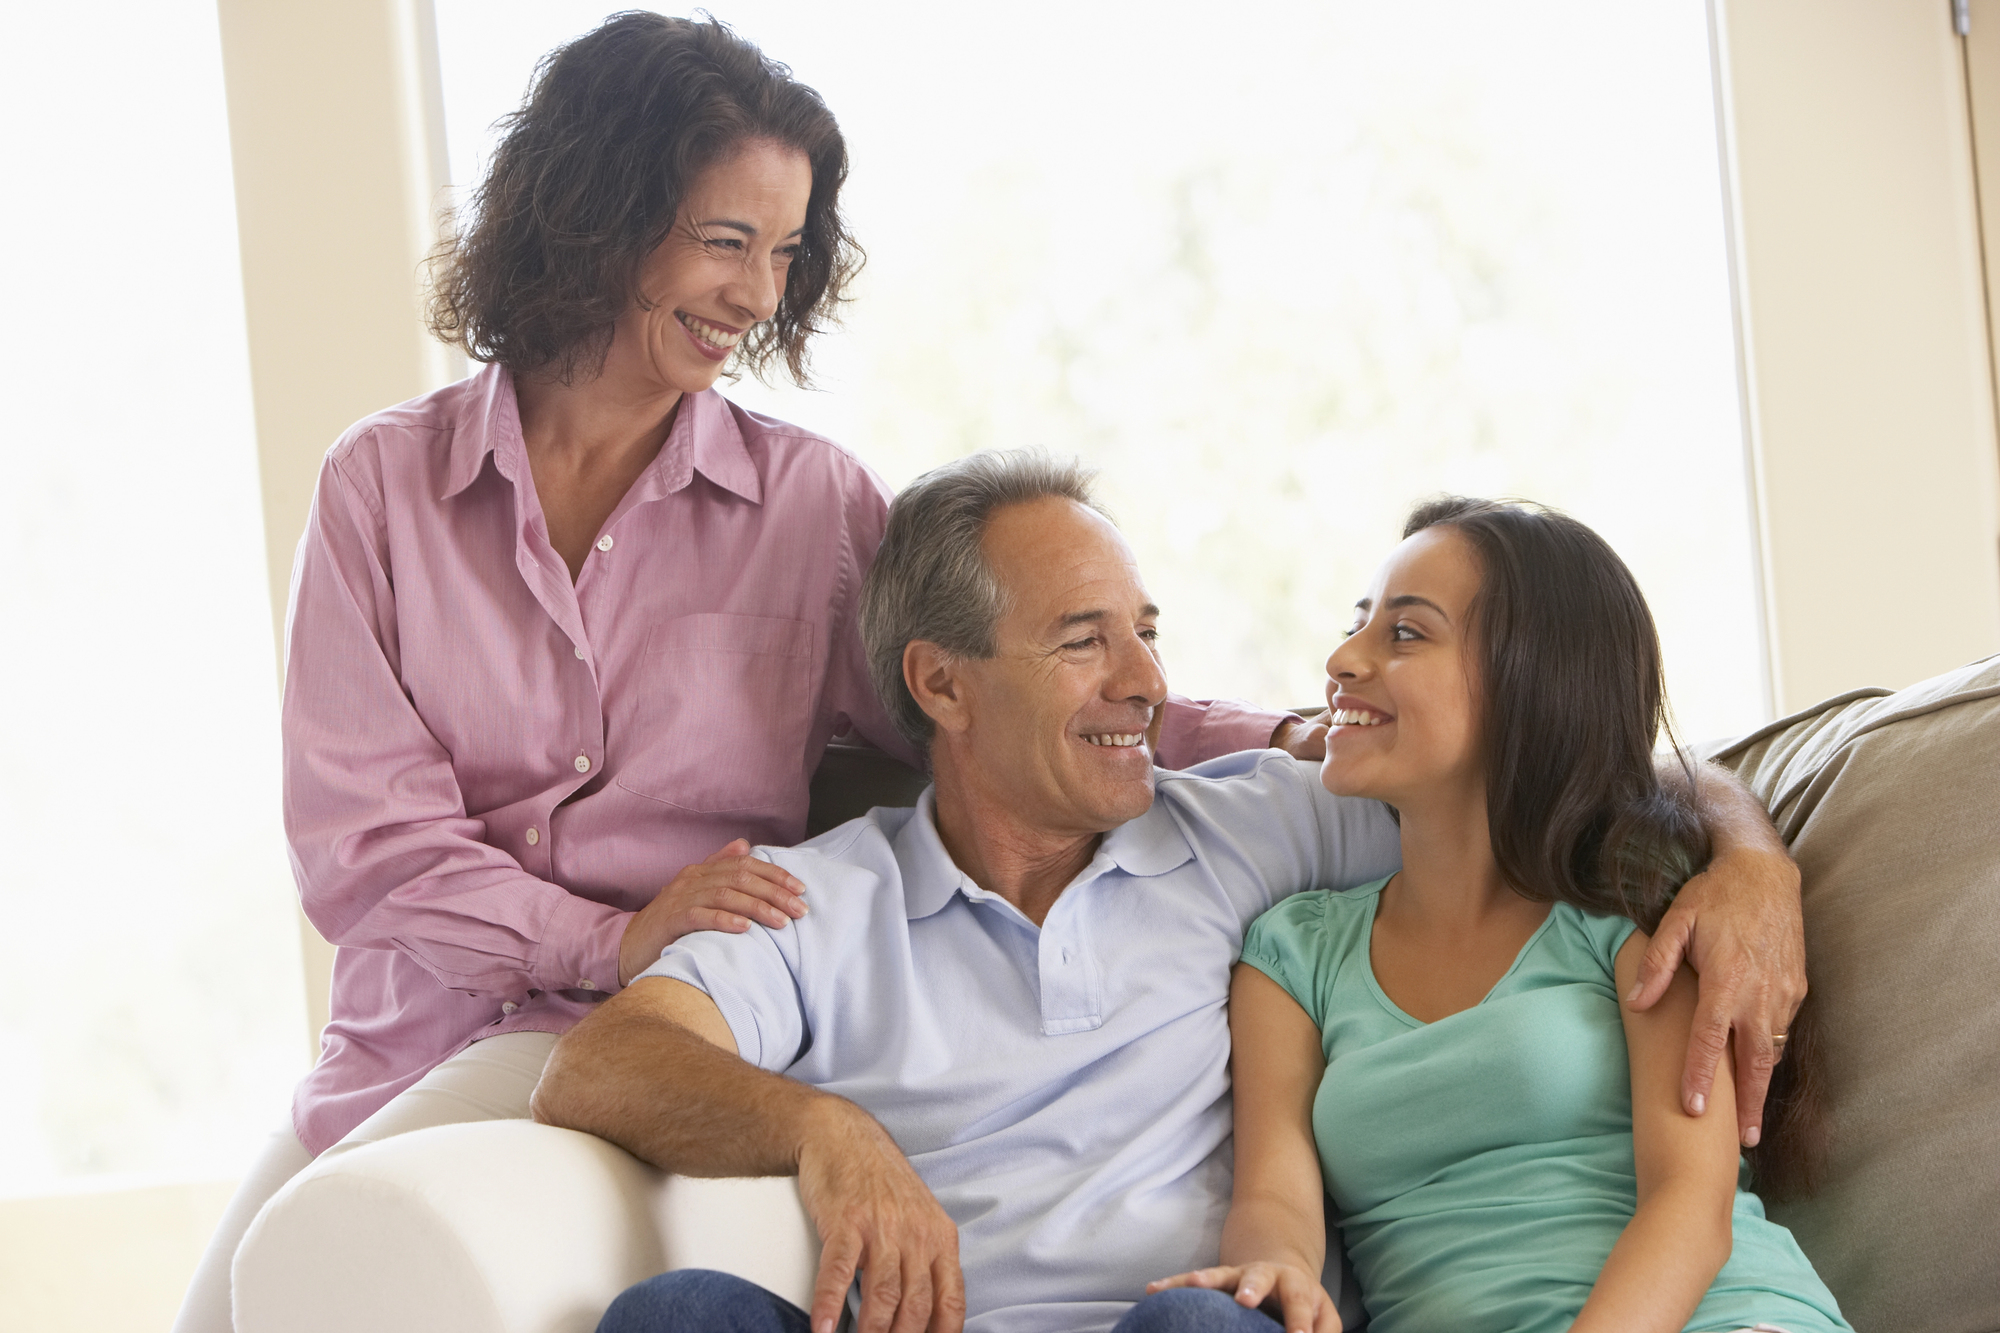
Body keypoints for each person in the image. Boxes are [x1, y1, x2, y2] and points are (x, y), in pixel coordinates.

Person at [171, 19, 1306, 1333]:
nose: (760, 296)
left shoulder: (808, 506)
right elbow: (363, 850)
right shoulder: (383, 486)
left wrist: (1286, 733)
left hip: (650, 1038)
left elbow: (1001, 690)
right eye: (725, 242)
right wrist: (608, 927)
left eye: (785, 252)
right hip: (405, 1043)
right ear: (593, 216)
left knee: (311, 1283)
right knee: (220, 1304)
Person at [532, 453, 1810, 1333]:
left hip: (1192, 1321)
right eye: (1086, 639)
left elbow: (1547, 764)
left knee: (1197, 1324)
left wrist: (1748, 855)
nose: (1145, 679)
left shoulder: (1257, 826)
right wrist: (825, 1131)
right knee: (674, 1315)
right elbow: (599, 1066)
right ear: (941, 684)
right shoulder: (819, 901)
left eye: (1148, 630)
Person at [1149, 498, 1845, 1333]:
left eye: (1404, 634)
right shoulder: (1293, 953)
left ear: (1530, 682)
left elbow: (1690, 1212)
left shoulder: (1628, 907)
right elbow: (1274, 1199)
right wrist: (1280, 1270)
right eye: (1356, 625)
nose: (1340, 659)